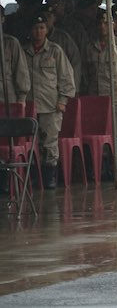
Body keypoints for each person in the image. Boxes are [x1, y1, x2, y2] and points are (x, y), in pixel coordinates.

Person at [82, 7, 117, 177]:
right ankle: (101, 168)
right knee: (98, 134)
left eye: (106, 23)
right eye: (100, 23)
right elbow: (84, 74)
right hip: (95, 99)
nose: (103, 26)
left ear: (113, 25)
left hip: (115, 99)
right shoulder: (90, 47)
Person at [21, 14, 75, 189]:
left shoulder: (55, 51)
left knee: (50, 144)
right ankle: (34, 177)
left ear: (47, 30)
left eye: (42, 28)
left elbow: (66, 78)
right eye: (35, 28)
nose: (38, 31)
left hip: (50, 106)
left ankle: (49, 177)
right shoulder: (23, 51)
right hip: (29, 106)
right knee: (31, 143)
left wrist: (63, 100)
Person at [0, 7, 31, 104]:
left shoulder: (11, 43)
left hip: (6, 102)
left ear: (2, 19)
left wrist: (22, 99)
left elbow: (21, 72)